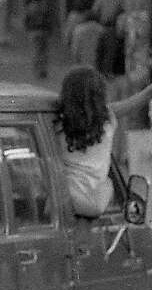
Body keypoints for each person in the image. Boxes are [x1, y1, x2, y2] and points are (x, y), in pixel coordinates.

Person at [56, 66, 152, 217]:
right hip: (95, 199)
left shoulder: (58, 123)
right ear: (99, 93)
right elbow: (134, 103)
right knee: (109, 185)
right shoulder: (107, 119)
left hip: (66, 197)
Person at [24, 0, 53, 80]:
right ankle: (43, 70)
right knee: (44, 52)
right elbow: (48, 20)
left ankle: (36, 70)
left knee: (35, 51)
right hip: (43, 32)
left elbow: (26, 20)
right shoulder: (44, 7)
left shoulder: (29, 8)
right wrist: (50, 31)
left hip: (33, 32)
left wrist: (27, 30)